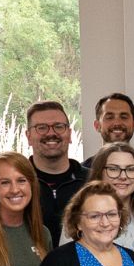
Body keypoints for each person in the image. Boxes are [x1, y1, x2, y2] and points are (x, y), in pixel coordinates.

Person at [25, 100, 88, 244]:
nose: (51, 133)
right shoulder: (13, 184)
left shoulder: (92, 181)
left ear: (70, 134)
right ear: (28, 136)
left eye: (59, 127)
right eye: (42, 128)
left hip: (81, 265)